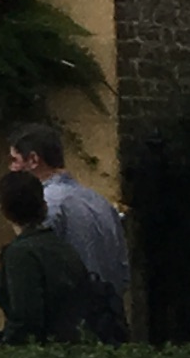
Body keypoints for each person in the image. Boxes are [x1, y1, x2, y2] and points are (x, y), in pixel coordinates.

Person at [7, 119, 130, 334]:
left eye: (15, 160)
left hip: (71, 330)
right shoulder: (99, 202)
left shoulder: (45, 205)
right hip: (111, 322)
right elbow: (122, 268)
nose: (11, 168)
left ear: (34, 160)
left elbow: (38, 274)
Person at [0, 168, 103, 344]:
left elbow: (26, 321)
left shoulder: (21, 254)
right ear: (43, 204)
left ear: (3, 209)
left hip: (44, 353)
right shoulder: (60, 246)